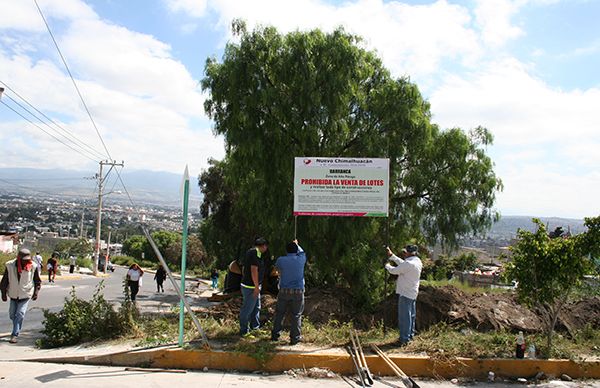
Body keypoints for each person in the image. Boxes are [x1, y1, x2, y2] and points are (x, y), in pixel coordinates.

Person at [0, 248, 42, 343]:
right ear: (19, 258)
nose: (26, 262)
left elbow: (37, 281)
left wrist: (36, 292)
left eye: (27, 260)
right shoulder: (9, 265)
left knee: (20, 314)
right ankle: (17, 326)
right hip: (13, 294)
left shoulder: (33, 266)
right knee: (12, 314)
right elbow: (4, 281)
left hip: (25, 294)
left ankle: (14, 334)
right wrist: (3, 294)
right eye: (24, 260)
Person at [385, 244, 422, 345]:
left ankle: (404, 340)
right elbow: (403, 264)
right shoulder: (416, 261)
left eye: (405, 252)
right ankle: (410, 336)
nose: (404, 254)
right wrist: (392, 256)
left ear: (411, 253)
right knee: (411, 316)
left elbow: (395, 271)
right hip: (412, 292)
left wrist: (387, 265)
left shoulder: (409, 263)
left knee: (404, 317)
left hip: (405, 293)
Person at [271, 239, 307, 345]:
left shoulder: (281, 260)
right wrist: (297, 244)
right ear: (296, 250)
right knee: (296, 315)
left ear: (286, 251)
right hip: (298, 292)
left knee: (279, 313)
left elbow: (276, 270)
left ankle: (275, 335)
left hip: (284, 291)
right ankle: (295, 338)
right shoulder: (301, 259)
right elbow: (302, 252)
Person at [239, 237, 268, 336]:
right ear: (263, 246)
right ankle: (244, 331)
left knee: (256, 308)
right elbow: (254, 270)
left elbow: (244, 268)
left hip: (253, 285)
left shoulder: (252, 252)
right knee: (247, 309)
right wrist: (256, 286)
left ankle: (255, 328)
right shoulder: (254, 253)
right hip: (251, 287)